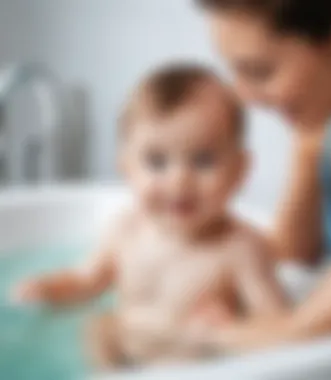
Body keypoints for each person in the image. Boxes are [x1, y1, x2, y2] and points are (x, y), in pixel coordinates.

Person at [12, 63, 287, 368]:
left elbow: (280, 326)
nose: (179, 180)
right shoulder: (124, 230)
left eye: (203, 160)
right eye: (157, 162)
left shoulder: (241, 248)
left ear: (239, 170)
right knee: (101, 326)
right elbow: (87, 281)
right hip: (125, 360)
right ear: (126, 167)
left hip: (195, 368)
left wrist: (230, 331)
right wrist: (49, 289)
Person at [196, 0, 331, 352]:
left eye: (260, 71)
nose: (244, 97)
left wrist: (192, 330)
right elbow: (285, 260)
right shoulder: (324, 131)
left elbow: (298, 334)